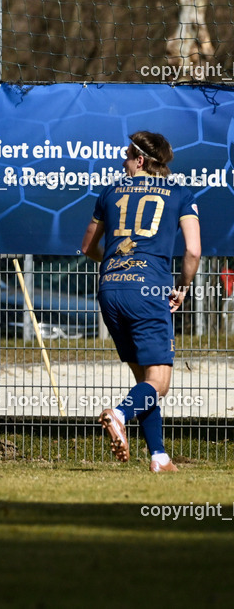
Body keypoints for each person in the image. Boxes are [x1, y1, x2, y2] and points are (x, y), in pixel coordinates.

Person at [81, 131, 200, 473]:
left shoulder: (111, 191)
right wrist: (182, 287)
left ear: (141, 160)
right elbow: (193, 249)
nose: (122, 162)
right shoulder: (179, 193)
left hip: (110, 289)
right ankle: (118, 415)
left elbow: (87, 247)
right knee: (159, 382)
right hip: (148, 290)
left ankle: (160, 457)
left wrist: (113, 264)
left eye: (127, 156)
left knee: (145, 382)